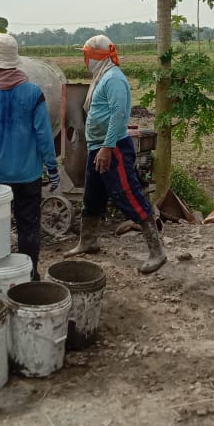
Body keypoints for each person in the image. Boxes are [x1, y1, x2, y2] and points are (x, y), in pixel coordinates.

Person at [64, 35, 166, 274]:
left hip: (113, 148)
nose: (84, 60)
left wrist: (107, 147)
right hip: (97, 147)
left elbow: (119, 115)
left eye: (87, 55)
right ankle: (88, 241)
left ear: (97, 57)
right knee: (93, 196)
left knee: (127, 194)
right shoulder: (101, 77)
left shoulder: (113, 79)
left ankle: (157, 251)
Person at [0, 33, 60, 280]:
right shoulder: (33, 93)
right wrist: (52, 170)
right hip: (28, 174)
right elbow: (44, 135)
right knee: (29, 226)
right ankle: (30, 276)